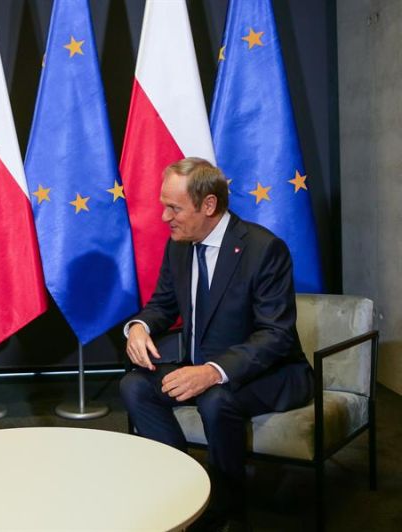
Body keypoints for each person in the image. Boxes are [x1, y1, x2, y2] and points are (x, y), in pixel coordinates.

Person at [119, 158, 313, 530]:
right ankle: (185, 486)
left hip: (271, 375)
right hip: (199, 369)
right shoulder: (179, 245)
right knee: (134, 386)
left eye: (174, 207)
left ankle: (226, 505)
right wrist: (140, 327)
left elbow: (277, 335)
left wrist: (213, 372)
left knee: (215, 396)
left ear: (208, 205)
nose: (164, 217)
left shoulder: (263, 249)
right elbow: (163, 304)